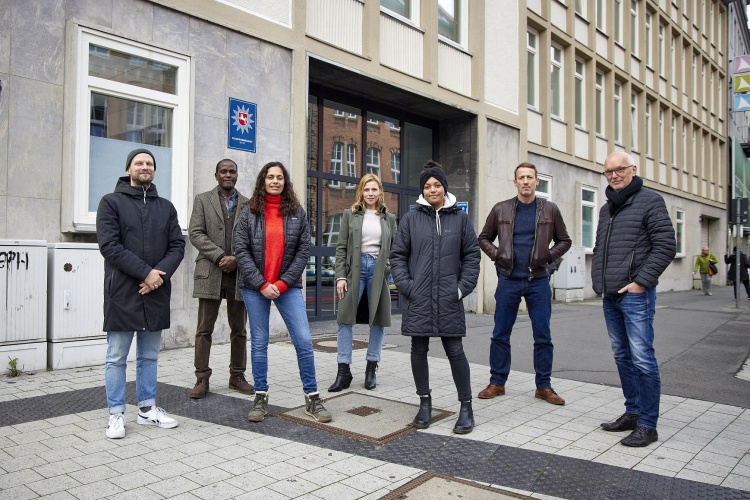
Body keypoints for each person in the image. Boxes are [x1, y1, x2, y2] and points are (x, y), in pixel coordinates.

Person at [96, 149, 186, 439]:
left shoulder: (166, 207)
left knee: (149, 357)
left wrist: (157, 276)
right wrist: (146, 273)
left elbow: (177, 246)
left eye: (149, 163)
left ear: (154, 170)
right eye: (139, 163)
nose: (144, 167)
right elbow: (110, 246)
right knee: (116, 356)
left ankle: (147, 409)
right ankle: (116, 414)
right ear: (128, 169)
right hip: (123, 291)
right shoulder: (111, 203)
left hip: (155, 291)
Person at [235, 161, 332, 423]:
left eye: (279, 177)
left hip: (286, 287)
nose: (275, 181)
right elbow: (241, 251)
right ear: (262, 181)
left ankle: (312, 398)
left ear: (285, 182)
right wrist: (262, 284)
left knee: (303, 340)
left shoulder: (297, 212)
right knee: (259, 343)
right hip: (256, 288)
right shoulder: (249, 211)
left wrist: (281, 283)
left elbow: (303, 251)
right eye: (270, 177)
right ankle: (260, 396)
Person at [390, 160, 481, 434]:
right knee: (418, 350)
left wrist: (461, 288)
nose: (433, 189)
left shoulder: (460, 219)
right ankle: (425, 403)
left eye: (437, 185)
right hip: (419, 298)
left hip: (448, 298)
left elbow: (472, 256)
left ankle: (466, 407)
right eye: (428, 186)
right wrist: (408, 287)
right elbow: (397, 256)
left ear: (444, 188)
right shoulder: (411, 218)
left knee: (455, 351)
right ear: (423, 190)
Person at [593, 152, 676, 448]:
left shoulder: (649, 200)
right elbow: (600, 245)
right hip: (610, 294)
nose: (614, 175)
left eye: (620, 169)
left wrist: (642, 282)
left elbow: (666, 245)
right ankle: (632, 412)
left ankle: (648, 424)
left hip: (635, 295)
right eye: (608, 171)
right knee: (622, 356)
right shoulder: (606, 209)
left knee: (642, 358)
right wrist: (598, 281)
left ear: (633, 169)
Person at [477, 162, 572, 405]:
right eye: (522, 177)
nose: (526, 181)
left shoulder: (550, 210)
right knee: (500, 334)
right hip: (508, 279)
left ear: (537, 181)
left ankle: (544, 386)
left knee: (543, 335)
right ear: (515, 182)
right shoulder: (501, 209)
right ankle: (497, 382)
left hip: (538, 280)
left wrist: (548, 257)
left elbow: (565, 240)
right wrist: (497, 255)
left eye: (530, 177)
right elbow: (484, 238)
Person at [188, 159, 253, 399]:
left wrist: (236, 258)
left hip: (238, 274)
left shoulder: (248, 204)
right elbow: (195, 232)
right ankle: (202, 378)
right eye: (223, 171)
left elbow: (254, 237)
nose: (228, 174)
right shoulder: (202, 200)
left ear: (237, 175)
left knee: (239, 329)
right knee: (204, 329)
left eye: (232, 171)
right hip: (210, 271)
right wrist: (219, 256)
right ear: (216, 174)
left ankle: (237, 376)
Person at [329, 174, 397, 392]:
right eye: (366, 190)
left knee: (378, 320)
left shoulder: (389, 218)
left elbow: (395, 249)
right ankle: (343, 371)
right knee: (344, 319)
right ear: (361, 191)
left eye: (374, 190)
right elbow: (341, 248)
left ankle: (371, 368)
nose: (370, 194)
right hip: (354, 272)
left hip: (378, 271)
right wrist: (340, 276)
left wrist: (387, 268)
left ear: (380, 192)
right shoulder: (350, 215)